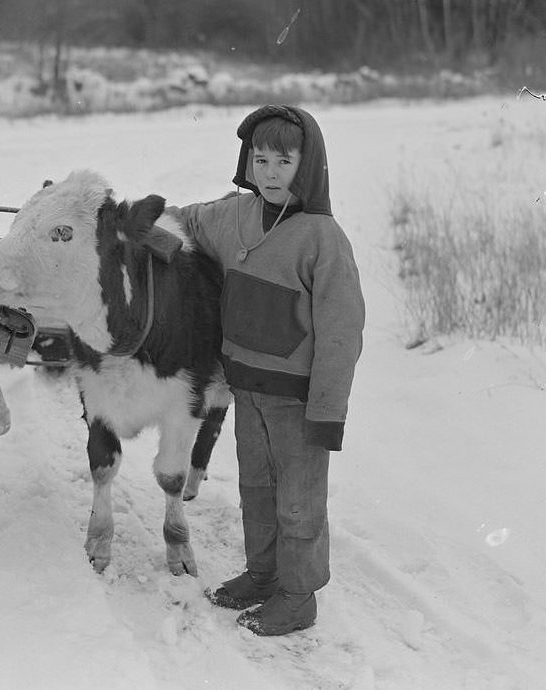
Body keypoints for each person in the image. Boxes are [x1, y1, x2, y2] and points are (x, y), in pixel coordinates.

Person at [175, 105, 365, 636]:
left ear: (308, 165)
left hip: (299, 400)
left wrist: (328, 411)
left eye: (284, 161)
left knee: (298, 502)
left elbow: (341, 333)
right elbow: (185, 221)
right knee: (256, 489)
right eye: (260, 160)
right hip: (246, 388)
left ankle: (298, 597)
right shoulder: (235, 216)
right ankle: (262, 575)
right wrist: (134, 221)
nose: (270, 172)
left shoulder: (322, 239)